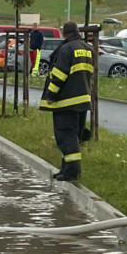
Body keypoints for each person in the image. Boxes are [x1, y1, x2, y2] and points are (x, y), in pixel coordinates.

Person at [39, 21, 93, 181]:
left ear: (64, 33)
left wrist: (51, 95)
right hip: (83, 100)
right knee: (74, 135)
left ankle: (72, 172)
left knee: (66, 135)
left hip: (66, 101)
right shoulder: (88, 49)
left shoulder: (66, 49)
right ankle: (66, 169)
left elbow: (59, 75)